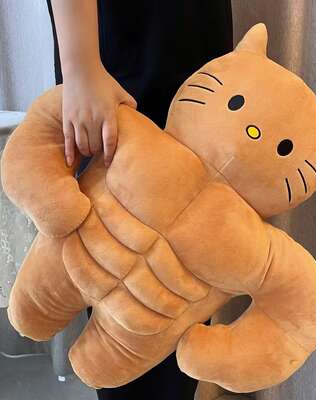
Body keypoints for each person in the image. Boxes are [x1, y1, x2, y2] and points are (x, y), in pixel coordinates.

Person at [45, 1, 233, 399]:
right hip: (124, 53)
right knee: (123, 276)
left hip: (195, 44)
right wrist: (81, 67)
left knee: (189, 267)